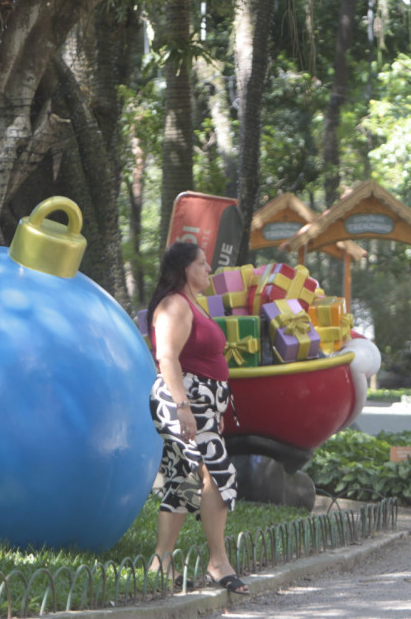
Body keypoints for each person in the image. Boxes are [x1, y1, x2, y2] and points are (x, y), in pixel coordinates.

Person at [146, 242, 249, 595]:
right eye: (202, 264)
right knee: (218, 474)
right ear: (184, 268)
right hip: (182, 399)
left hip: (201, 403)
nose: (209, 269)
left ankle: (161, 562)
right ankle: (218, 562)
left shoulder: (193, 304)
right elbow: (167, 358)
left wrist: (213, 409)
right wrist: (183, 406)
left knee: (183, 480)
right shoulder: (175, 304)